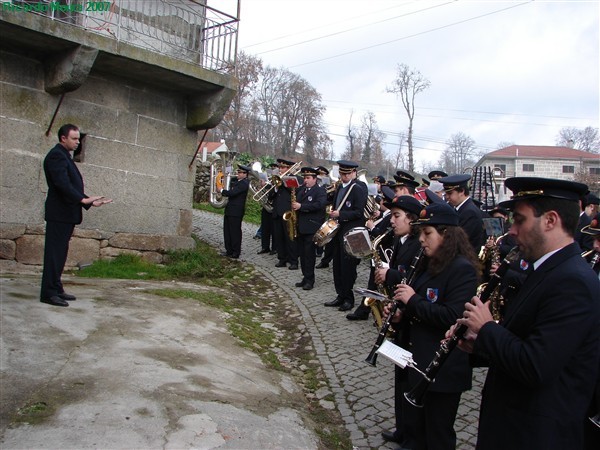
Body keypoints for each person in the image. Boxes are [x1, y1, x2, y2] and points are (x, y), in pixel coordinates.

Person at [455, 177, 600, 450]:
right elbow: (523, 342)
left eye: (519, 220)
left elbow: (535, 365)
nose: (511, 230)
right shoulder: (544, 270)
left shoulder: (574, 282)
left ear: (550, 220)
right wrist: (477, 344)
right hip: (513, 427)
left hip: (536, 435)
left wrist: (487, 328)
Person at [388, 201, 479, 450]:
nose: (422, 240)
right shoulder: (429, 263)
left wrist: (412, 300)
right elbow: (417, 308)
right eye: (421, 234)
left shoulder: (463, 270)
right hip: (417, 358)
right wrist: (400, 315)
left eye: (428, 233)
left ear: (447, 235)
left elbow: (452, 316)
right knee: (416, 428)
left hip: (443, 367)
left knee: (438, 432)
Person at [372, 195, 424, 447]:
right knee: (399, 375)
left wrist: (389, 273)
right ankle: (402, 427)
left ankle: (411, 432)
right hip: (399, 312)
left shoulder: (417, 243)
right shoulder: (399, 239)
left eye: (396, 216)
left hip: (411, 315)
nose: (391, 221)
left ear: (412, 220)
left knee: (408, 377)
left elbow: (412, 276)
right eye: (391, 216)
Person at [40, 124, 112, 307]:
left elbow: (70, 187)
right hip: (59, 214)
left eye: (79, 138)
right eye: (74, 138)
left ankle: (56, 288)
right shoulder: (56, 155)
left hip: (66, 214)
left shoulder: (65, 156)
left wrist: (88, 201)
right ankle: (48, 293)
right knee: (54, 254)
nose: (78, 142)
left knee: (60, 253)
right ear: (63, 138)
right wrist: (83, 199)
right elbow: (62, 185)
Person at [323, 160, 368, 312]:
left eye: (347, 174)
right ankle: (340, 295)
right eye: (342, 174)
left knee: (348, 267)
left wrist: (340, 214)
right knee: (337, 265)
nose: (344, 176)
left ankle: (349, 298)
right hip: (338, 231)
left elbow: (358, 212)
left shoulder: (358, 188)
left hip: (352, 232)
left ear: (354, 173)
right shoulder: (339, 187)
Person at [347, 185, 396, 321]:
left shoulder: (390, 216)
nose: (379, 203)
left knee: (375, 285)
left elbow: (384, 235)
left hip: (383, 256)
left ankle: (365, 311)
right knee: (373, 284)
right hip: (378, 255)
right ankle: (364, 310)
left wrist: (372, 227)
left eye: (381, 201)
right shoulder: (385, 215)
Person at [292, 167, 327, 290]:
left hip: (312, 227)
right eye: (304, 178)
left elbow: (319, 205)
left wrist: (301, 206)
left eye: (308, 178)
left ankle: (310, 280)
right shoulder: (301, 190)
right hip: (301, 226)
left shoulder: (320, 191)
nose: (305, 180)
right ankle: (305, 276)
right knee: (302, 253)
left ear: (315, 179)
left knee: (309, 255)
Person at [439, 174, 486, 252]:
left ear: (461, 191)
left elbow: (460, 241)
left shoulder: (469, 212)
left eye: (450, 193)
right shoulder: (460, 209)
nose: (447, 197)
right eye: (446, 193)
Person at [271, 158, 299, 270]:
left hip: (288, 212)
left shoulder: (295, 179)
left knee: (290, 238)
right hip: (277, 212)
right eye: (280, 167)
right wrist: (276, 188)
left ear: (289, 168)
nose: (280, 169)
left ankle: (293, 261)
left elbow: (295, 192)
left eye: (283, 167)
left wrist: (284, 182)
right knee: (279, 237)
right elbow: (271, 196)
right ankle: (282, 259)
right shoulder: (276, 180)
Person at [220, 164, 250, 259]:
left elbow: (232, 193)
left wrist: (221, 191)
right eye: (238, 172)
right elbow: (228, 183)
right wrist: (225, 174)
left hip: (237, 211)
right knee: (227, 231)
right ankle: (229, 250)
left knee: (235, 231)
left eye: (241, 172)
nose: (238, 174)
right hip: (229, 209)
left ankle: (236, 251)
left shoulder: (244, 183)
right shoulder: (236, 181)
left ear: (246, 174)